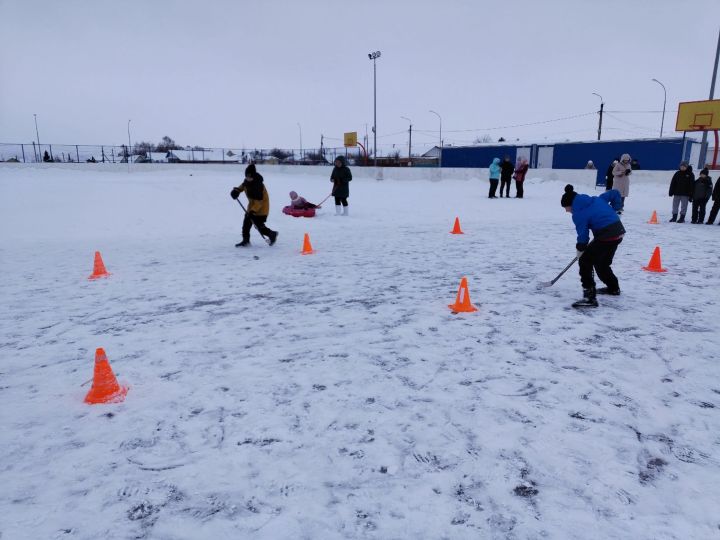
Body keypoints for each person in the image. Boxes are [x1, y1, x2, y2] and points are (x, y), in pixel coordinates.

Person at [561, 184, 625, 308]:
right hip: (618, 232)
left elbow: (583, 235)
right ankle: (613, 288)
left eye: (566, 207)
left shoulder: (578, 213)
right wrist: (617, 208)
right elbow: (615, 193)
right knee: (602, 263)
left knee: (585, 261)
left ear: (571, 204)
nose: (566, 211)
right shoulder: (597, 199)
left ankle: (589, 298)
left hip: (606, 236)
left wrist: (580, 248)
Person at [230, 163, 278, 246]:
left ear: (253, 176)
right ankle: (246, 241)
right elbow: (243, 186)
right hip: (252, 207)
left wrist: (252, 211)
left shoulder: (258, 185)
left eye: (250, 177)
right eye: (247, 177)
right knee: (246, 224)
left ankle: (272, 234)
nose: (248, 179)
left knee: (259, 226)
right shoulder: (247, 181)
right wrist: (236, 191)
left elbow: (259, 201)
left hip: (261, 208)